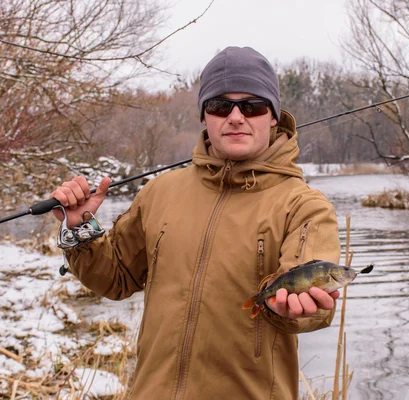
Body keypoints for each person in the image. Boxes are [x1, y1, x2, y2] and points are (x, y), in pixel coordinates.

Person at [51, 46, 341, 400]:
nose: (235, 117)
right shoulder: (159, 191)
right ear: (205, 116)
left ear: (274, 117)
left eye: (252, 106)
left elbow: (311, 295)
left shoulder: (305, 206)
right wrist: (81, 229)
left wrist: (294, 310)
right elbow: (115, 279)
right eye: (220, 106)